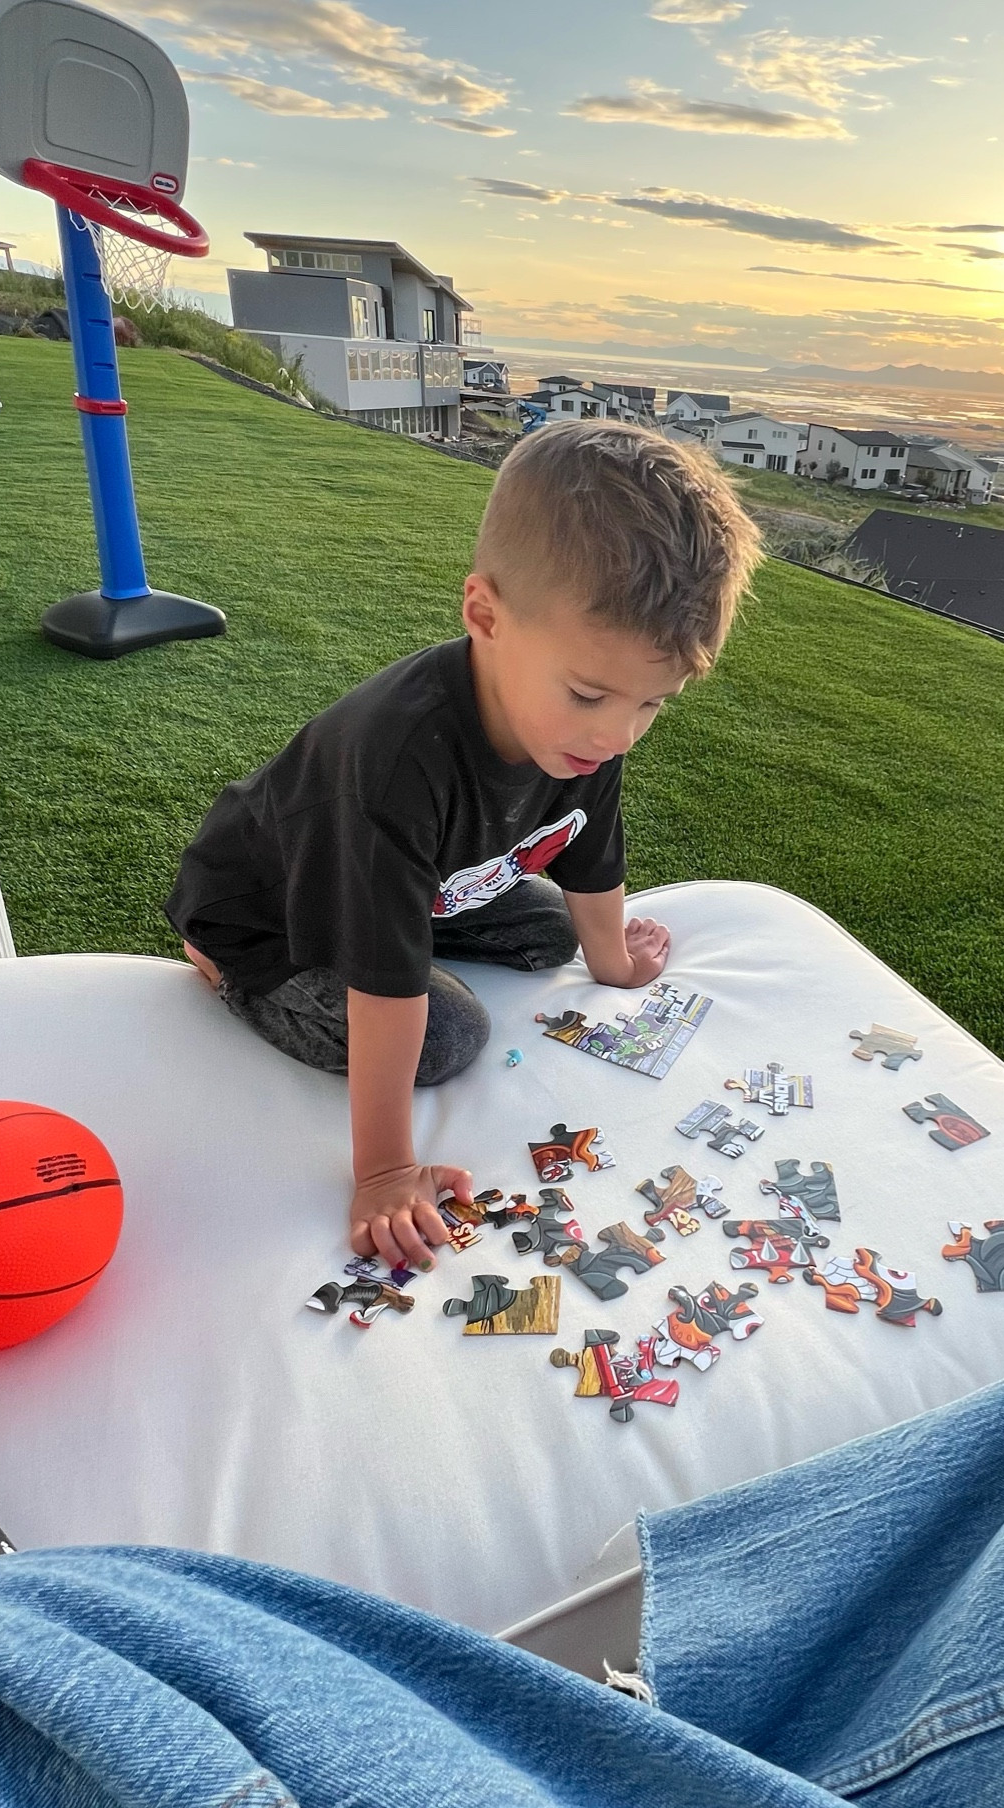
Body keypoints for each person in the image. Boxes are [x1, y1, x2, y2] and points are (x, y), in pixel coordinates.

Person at [0, 1278, 1004, 1805]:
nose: (610, 733)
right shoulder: (405, 756)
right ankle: (703, 1729)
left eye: (634, 707)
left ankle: (686, 1733)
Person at [164, 422, 760, 1273]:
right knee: (448, 1037)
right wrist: (384, 1173)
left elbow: (587, 853)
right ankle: (225, 968)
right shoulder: (393, 763)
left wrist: (613, 965)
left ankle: (416, 919)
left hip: (416, 878)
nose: (619, 735)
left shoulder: (585, 734)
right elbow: (385, 992)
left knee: (552, 931)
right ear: (484, 616)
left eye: (651, 704)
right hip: (272, 914)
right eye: (589, 694)